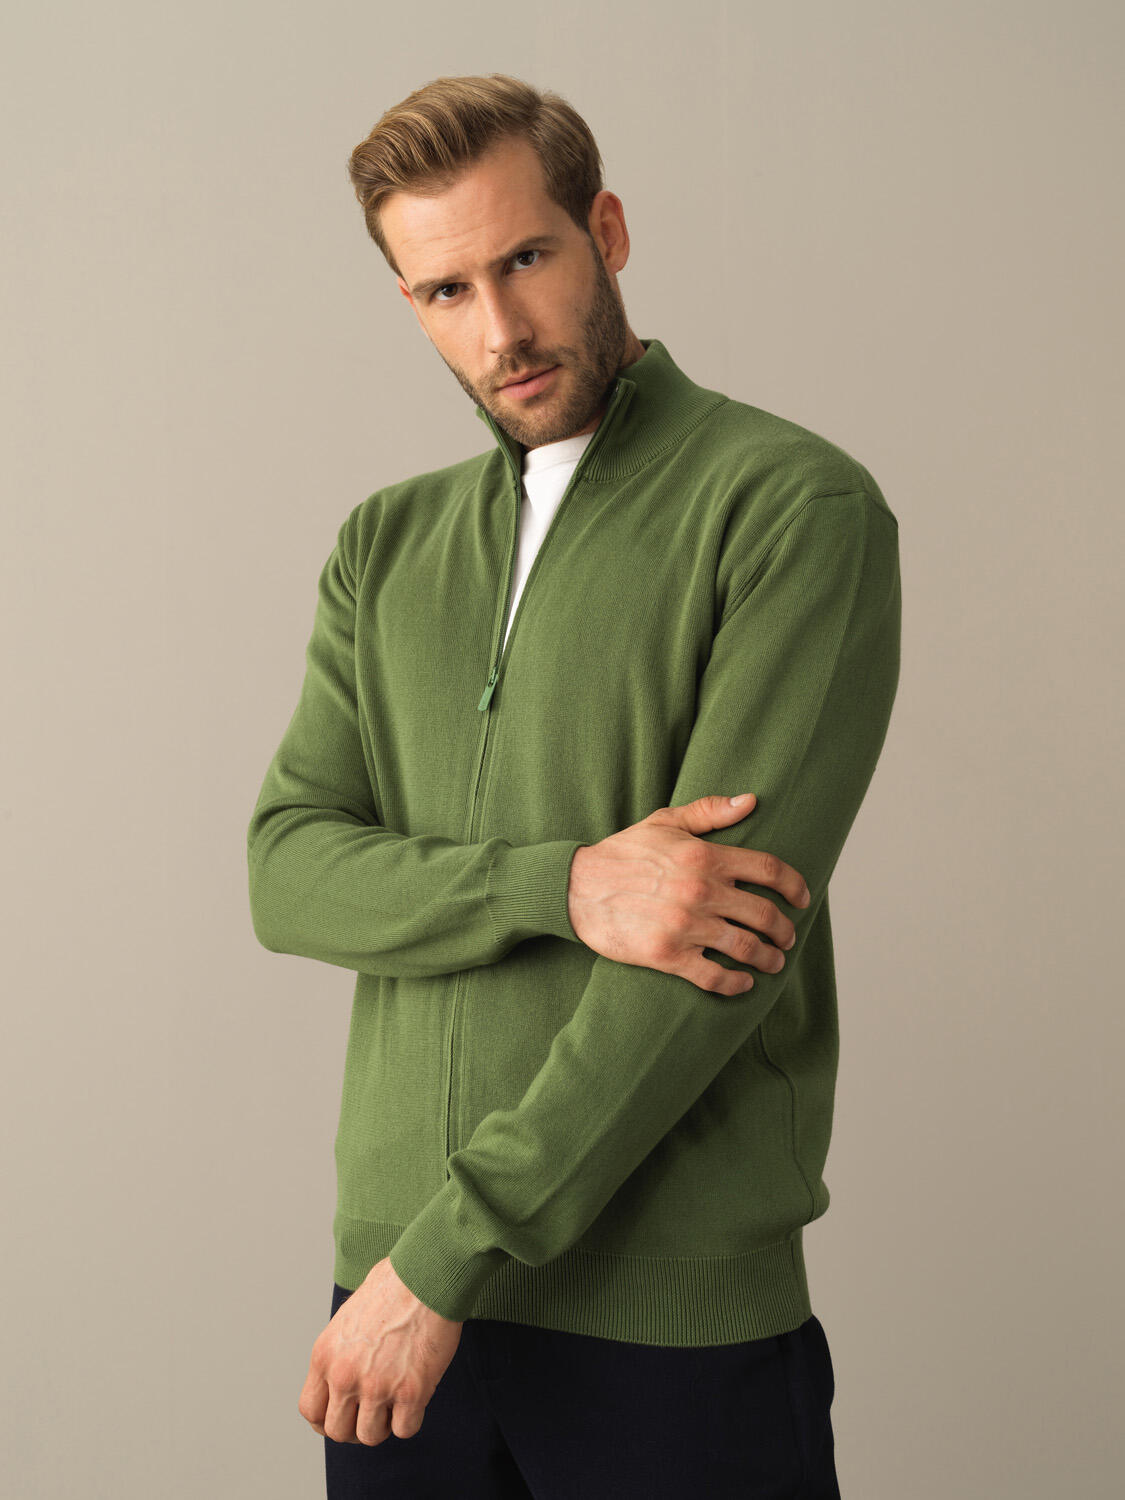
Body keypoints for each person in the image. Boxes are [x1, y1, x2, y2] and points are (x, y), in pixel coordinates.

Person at [246, 71, 901, 1499]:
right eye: (446, 291)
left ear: (604, 231)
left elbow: (713, 956)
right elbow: (286, 873)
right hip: (395, 1316)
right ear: (410, 304)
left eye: (525, 259)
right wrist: (566, 884)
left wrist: (445, 1255)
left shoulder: (789, 506)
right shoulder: (385, 545)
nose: (499, 329)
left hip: (657, 1322)